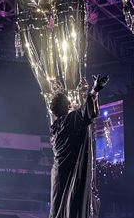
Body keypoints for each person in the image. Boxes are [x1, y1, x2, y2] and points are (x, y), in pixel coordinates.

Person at [49, 73, 109, 218]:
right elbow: (87, 112)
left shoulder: (54, 128)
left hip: (58, 176)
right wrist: (95, 90)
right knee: (72, 207)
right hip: (71, 174)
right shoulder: (71, 120)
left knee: (58, 209)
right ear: (68, 106)